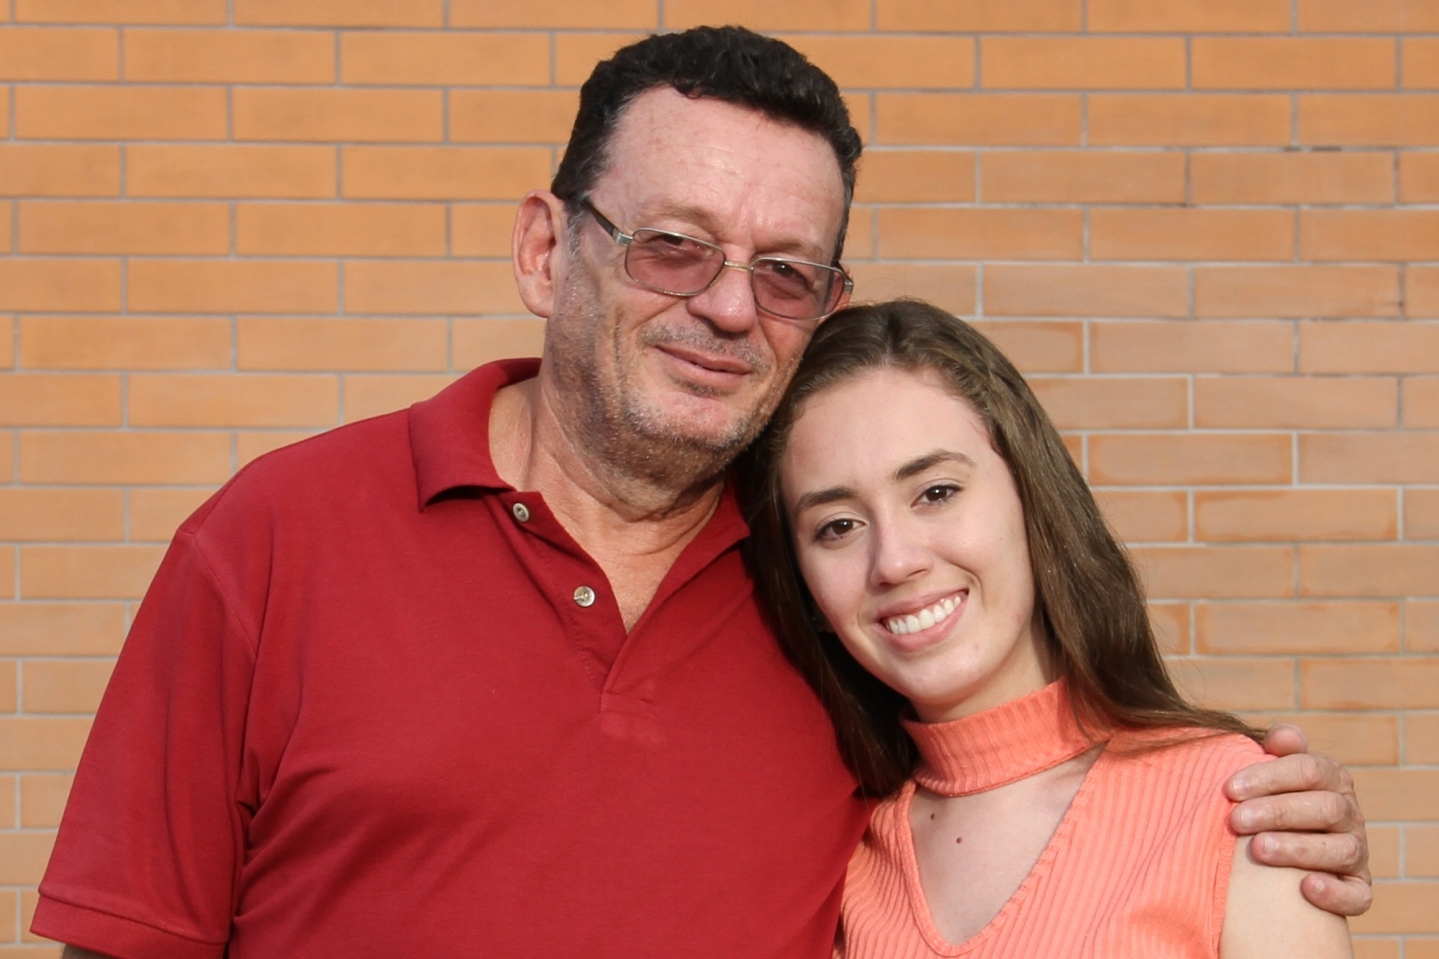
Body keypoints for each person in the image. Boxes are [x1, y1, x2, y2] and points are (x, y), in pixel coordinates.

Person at [34, 27, 1368, 959]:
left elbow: (1032, 781)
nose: (728, 304)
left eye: (782, 270)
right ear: (543, 248)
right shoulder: (275, 536)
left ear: (822, 307)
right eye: (672, 245)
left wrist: (1241, 810)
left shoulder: (823, 600)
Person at [741, 298, 1354, 957]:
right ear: (806, 591)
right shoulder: (828, 865)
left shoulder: (1239, 804)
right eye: (837, 526)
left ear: (1030, 495)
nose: (893, 560)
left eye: (936, 492)